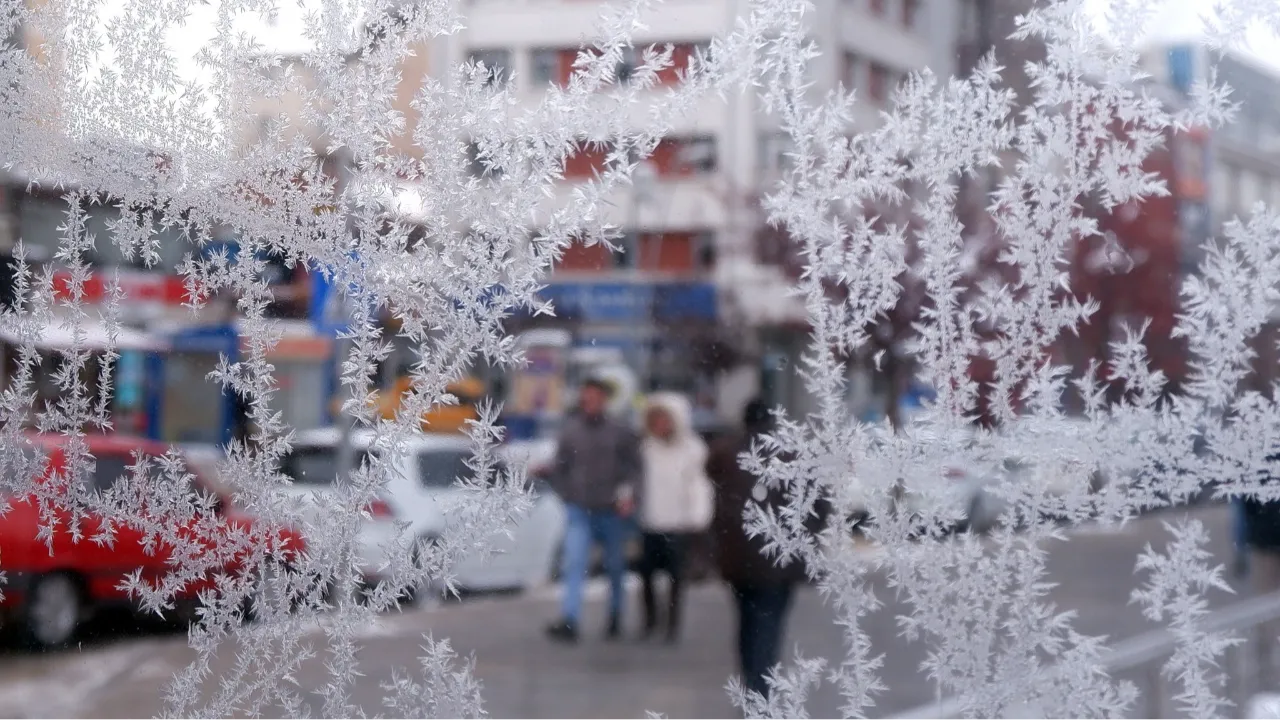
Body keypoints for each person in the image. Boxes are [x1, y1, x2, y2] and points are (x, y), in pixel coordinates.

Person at [708, 398, 815, 699]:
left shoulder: (725, 452)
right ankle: (760, 686)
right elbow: (818, 506)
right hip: (780, 556)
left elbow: (713, 486)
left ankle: (751, 677)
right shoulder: (793, 456)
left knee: (746, 618)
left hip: (737, 555)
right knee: (770, 621)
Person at [545, 377, 641, 643]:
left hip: (611, 510)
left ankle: (615, 616)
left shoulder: (619, 432)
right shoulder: (571, 431)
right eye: (587, 397)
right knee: (574, 563)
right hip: (580, 509)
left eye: (596, 398)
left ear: (604, 400)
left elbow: (635, 468)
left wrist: (629, 495)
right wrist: (567, 495)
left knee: (614, 566)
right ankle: (570, 619)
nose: (590, 402)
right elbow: (559, 468)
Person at [636, 392, 714, 643]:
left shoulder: (692, 449)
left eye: (664, 419)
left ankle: (672, 626)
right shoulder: (645, 448)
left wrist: (698, 517)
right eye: (655, 420)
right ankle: (650, 622)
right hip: (649, 522)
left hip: (678, 524)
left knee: (676, 578)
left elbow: (698, 485)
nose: (660, 425)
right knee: (646, 576)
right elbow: (635, 480)